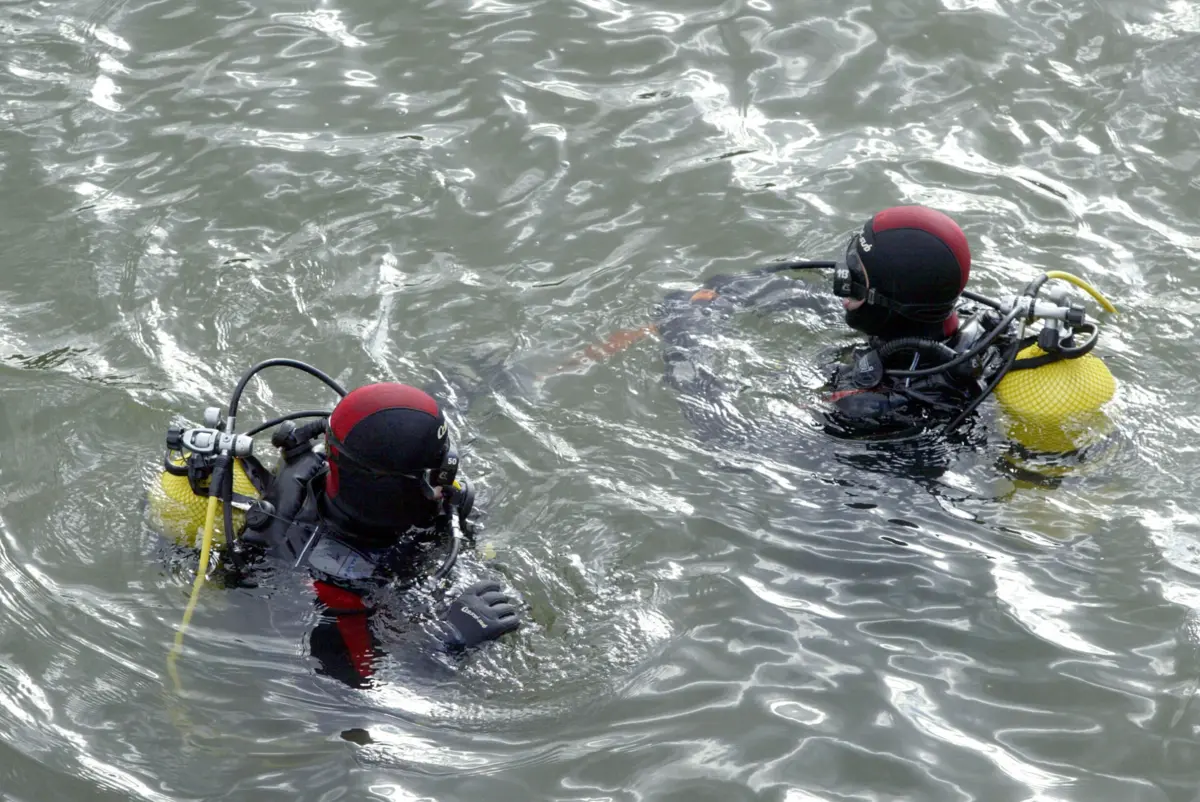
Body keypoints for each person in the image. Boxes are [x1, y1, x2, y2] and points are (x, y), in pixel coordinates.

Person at [161, 380, 522, 689]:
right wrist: (446, 641)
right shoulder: (332, 591)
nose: (451, 486)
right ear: (387, 491)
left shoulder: (330, 467)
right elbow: (349, 698)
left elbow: (424, 406)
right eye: (437, 476)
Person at [655, 205, 1017, 444]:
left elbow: (733, 440)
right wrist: (734, 291)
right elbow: (838, 305)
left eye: (856, 281)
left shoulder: (871, 406)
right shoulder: (978, 330)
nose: (841, 290)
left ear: (892, 303)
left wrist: (681, 344)